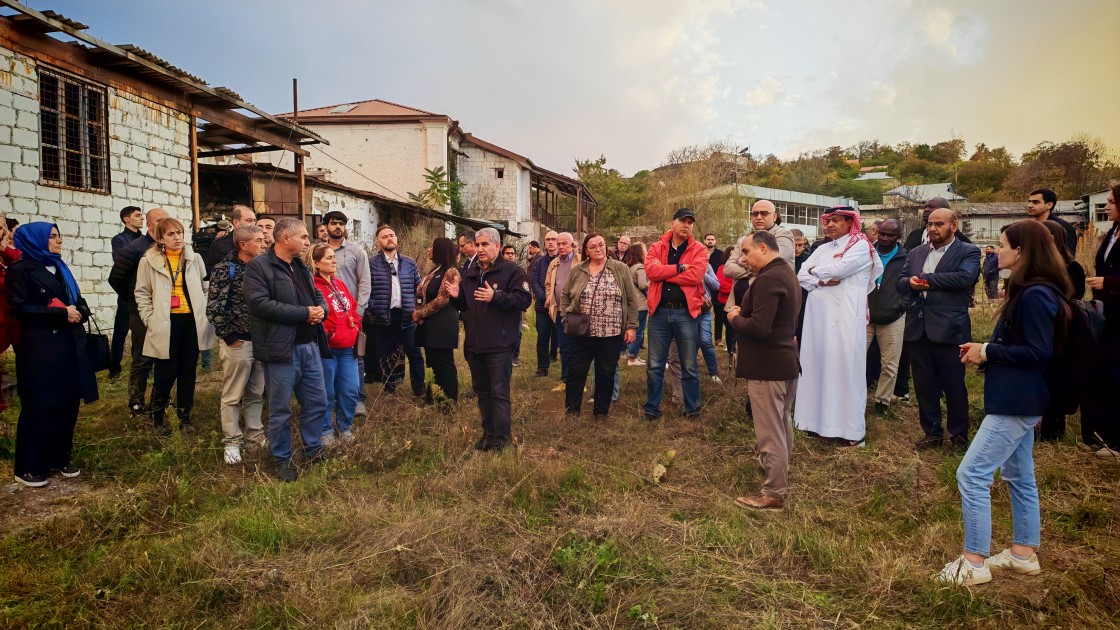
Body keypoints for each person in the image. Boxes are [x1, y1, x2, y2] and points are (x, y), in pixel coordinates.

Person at [936, 219, 1069, 586]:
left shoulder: (1036, 294)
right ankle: (1023, 554)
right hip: (1019, 398)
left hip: (1017, 400)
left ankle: (974, 562)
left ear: (1020, 251)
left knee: (972, 474)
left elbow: (1038, 352)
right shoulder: (1030, 290)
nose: (996, 251)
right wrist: (986, 351)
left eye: (1002, 245)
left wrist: (988, 351)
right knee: (1019, 474)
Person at [8, 223, 98, 487]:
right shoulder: (20, 270)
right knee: (40, 405)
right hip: (41, 349)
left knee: (67, 402)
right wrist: (61, 313)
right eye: (52, 237)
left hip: (70, 344)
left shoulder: (60, 267)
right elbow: (21, 308)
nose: (59, 241)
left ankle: (60, 457)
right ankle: (29, 466)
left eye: (58, 236)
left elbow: (79, 301)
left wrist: (79, 311)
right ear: (35, 240)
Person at [244, 217, 329, 482]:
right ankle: (282, 459)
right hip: (281, 350)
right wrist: (304, 313)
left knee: (317, 402)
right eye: (303, 237)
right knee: (280, 409)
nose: (307, 241)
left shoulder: (301, 267)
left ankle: (313, 450)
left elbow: (317, 295)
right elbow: (259, 304)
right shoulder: (259, 267)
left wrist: (321, 310)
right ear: (285, 238)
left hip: (309, 348)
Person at [795, 206, 881, 446]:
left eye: (836, 220)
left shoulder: (860, 245)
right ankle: (812, 423)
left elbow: (838, 270)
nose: (830, 225)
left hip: (845, 319)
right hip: (817, 320)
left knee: (844, 369)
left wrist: (815, 273)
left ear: (850, 222)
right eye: (828, 221)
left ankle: (847, 431)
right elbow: (801, 275)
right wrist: (821, 278)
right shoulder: (823, 248)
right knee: (815, 365)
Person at [728, 230, 801, 510]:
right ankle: (778, 473)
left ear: (762, 247)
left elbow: (760, 327)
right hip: (784, 362)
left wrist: (735, 317)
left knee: (770, 431)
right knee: (781, 424)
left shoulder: (769, 278)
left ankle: (773, 493)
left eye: (746, 252)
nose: (743, 258)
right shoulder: (786, 273)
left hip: (768, 366)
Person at [899, 208, 981, 452]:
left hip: (949, 330)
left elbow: (965, 278)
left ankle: (958, 436)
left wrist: (927, 280)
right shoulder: (916, 252)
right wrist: (910, 282)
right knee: (924, 386)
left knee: (954, 385)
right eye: (930, 224)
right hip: (918, 329)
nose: (933, 228)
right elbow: (900, 281)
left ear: (954, 226)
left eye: (939, 224)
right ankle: (932, 432)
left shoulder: (968, 251)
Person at [450, 227, 532, 451]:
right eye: (477, 245)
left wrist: (496, 296)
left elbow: (524, 300)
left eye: (485, 244)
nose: (480, 249)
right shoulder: (471, 270)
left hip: (499, 344)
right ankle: (489, 434)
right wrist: (456, 297)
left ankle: (502, 439)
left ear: (497, 246)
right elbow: (466, 303)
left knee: (499, 393)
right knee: (483, 392)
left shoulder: (512, 271)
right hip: (475, 344)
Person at [134, 218, 216, 431]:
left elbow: (206, 287)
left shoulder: (194, 258)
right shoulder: (149, 261)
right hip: (165, 322)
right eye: (171, 234)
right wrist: (149, 319)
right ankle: (157, 416)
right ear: (160, 238)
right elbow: (142, 293)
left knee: (188, 371)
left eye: (179, 233)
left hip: (191, 322)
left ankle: (184, 416)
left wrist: (206, 310)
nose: (177, 238)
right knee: (165, 372)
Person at [206, 225, 267, 465]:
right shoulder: (225, 269)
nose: (264, 244)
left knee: (256, 393)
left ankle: (255, 436)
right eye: (259, 240)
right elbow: (214, 307)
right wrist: (229, 336)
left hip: (261, 341)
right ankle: (232, 441)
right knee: (233, 395)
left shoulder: (263, 268)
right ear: (243, 244)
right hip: (238, 343)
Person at [559, 233, 638, 417]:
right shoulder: (578, 270)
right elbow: (565, 295)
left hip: (611, 333)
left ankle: (601, 412)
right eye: (593, 247)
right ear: (586, 250)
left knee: (606, 373)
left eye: (601, 245)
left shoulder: (620, 268)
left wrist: (631, 326)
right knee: (576, 372)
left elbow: (631, 299)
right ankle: (572, 411)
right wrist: (565, 318)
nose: (598, 249)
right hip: (582, 332)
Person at [643, 208, 709, 420]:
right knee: (655, 364)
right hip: (659, 313)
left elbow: (695, 276)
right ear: (672, 223)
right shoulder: (657, 246)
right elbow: (650, 271)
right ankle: (652, 409)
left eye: (690, 222)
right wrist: (680, 267)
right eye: (683, 221)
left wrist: (664, 273)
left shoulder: (699, 249)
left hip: (685, 313)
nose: (687, 225)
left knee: (689, 364)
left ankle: (692, 409)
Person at [108, 207, 168, 417]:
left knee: (165, 358)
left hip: (166, 311)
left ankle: (160, 403)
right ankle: (136, 405)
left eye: (167, 219)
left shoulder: (170, 247)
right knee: (142, 359)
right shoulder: (134, 249)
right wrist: (133, 300)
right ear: (149, 225)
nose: (165, 224)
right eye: (160, 220)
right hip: (141, 312)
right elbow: (116, 278)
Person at [1034, 220, 1086, 443]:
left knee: (1058, 376)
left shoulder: (1072, 267)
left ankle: (1054, 430)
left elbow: (1076, 297)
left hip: (1063, 328)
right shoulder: (1037, 264)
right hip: (1040, 326)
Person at [307, 243, 361, 447]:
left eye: (334, 257)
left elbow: (353, 308)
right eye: (329, 258)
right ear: (316, 263)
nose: (334, 261)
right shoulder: (312, 286)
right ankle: (325, 430)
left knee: (350, 389)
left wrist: (355, 326)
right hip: (326, 350)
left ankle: (344, 426)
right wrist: (331, 333)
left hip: (348, 349)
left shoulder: (340, 284)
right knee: (326, 392)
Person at [1082, 183, 1120, 457]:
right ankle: (1101, 435)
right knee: (1103, 372)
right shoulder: (1112, 232)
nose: (1106, 206)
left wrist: (1108, 282)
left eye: (1111, 201)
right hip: (1107, 313)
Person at [366, 224, 424, 397]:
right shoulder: (371, 264)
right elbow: (364, 289)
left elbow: (419, 289)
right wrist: (372, 306)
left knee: (415, 354)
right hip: (383, 316)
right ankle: (390, 389)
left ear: (396, 239)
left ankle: (419, 389)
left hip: (407, 316)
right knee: (387, 355)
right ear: (378, 243)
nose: (389, 238)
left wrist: (418, 309)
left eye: (391, 235)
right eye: (384, 237)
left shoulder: (409, 263)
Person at [323, 211, 371, 415]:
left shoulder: (356, 252)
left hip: (351, 317)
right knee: (327, 358)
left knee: (355, 357)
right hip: (326, 316)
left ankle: (357, 399)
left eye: (341, 224)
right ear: (326, 226)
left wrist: (358, 313)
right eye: (334, 223)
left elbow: (365, 283)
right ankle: (330, 400)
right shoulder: (318, 252)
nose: (338, 227)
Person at [866, 219, 909, 415]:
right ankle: (853, 397)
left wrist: (901, 305)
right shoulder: (866, 252)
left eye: (890, 235)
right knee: (855, 358)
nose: (884, 238)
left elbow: (910, 285)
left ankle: (882, 402)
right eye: (882, 233)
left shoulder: (906, 257)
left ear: (898, 236)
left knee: (890, 364)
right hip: (865, 317)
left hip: (893, 318)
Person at [414, 237, 462, 407]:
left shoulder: (451, 271)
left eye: (432, 247)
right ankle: (433, 397)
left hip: (442, 325)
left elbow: (443, 299)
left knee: (444, 363)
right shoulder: (435, 269)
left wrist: (420, 313)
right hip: (429, 324)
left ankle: (448, 401)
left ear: (440, 250)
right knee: (432, 362)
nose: (429, 250)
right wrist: (418, 311)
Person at [109, 206, 144, 378]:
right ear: (126, 219)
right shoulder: (119, 239)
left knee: (143, 332)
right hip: (126, 293)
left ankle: (142, 366)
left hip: (143, 292)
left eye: (141, 215)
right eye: (137, 215)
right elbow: (122, 262)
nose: (141, 218)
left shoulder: (145, 239)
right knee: (121, 331)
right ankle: (114, 368)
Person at [544, 232, 579, 391]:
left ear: (572, 244)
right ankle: (565, 380)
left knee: (577, 347)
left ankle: (578, 380)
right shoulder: (554, 263)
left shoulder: (580, 261)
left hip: (577, 312)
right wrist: (549, 298)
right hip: (559, 311)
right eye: (559, 244)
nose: (561, 246)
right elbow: (548, 284)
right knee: (563, 347)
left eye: (564, 243)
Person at [530, 231, 559, 376]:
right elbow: (534, 281)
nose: (550, 242)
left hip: (560, 306)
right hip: (543, 306)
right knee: (542, 338)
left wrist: (555, 300)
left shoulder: (563, 261)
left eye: (553, 239)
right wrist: (545, 298)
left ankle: (564, 369)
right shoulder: (539, 262)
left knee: (560, 337)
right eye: (548, 239)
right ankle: (542, 368)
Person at [903, 197, 972, 250]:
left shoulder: (961, 240)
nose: (926, 210)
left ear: (945, 210)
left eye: (931, 207)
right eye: (925, 207)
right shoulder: (913, 235)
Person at [203, 205, 255, 271]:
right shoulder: (219, 245)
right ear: (236, 222)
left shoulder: (259, 244)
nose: (253, 224)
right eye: (249, 220)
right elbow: (210, 270)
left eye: (254, 221)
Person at [1027, 188, 1077, 255]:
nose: (1029, 205)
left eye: (1035, 202)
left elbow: (1068, 255)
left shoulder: (1061, 227)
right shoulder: (1028, 227)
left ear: (1049, 205)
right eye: (1029, 202)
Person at [623, 243, 649, 366]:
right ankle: (632, 357)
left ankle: (634, 355)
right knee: (638, 331)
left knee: (633, 329)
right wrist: (655, 282)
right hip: (641, 303)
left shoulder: (629, 267)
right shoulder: (640, 267)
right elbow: (643, 285)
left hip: (632, 303)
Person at [749, 200, 796, 267]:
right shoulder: (745, 239)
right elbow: (732, 266)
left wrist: (747, 264)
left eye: (764, 213)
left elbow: (775, 259)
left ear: (774, 217)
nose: (759, 217)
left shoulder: (783, 234)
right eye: (755, 214)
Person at [502, 245, 524, 366]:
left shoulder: (518, 270)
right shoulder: (499, 271)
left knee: (518, 332)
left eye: (512, 253)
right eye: (507, 253)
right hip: (502, 306)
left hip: (516, 306)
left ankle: (514, 356)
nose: (510, 255)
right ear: (502, 255)